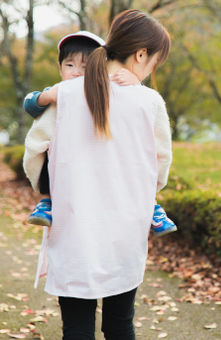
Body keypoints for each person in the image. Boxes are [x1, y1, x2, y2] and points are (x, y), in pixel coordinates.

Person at [23, 9, 172, 339]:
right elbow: (160, 166)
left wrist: (46, 191)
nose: (151, 71)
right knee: (120, 323)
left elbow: (34, 152)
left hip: (74, 226)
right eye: (154, 63)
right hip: (126, 229)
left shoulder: (64, 93)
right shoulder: (149, 102)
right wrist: (147, 196)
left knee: (76, 326)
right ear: (141, 54)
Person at [23, 30, 176, 236]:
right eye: (69, 65)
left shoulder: (70, 94)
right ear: (59, 68)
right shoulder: (57, 93)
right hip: (120, 193)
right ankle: (48, 200)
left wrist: (135, 81)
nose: (76, 72)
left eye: (85, 67)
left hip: (75, 187)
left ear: (98, 67)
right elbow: (30, 104)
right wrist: (46, 97)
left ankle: (152, 205)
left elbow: (34, 146)